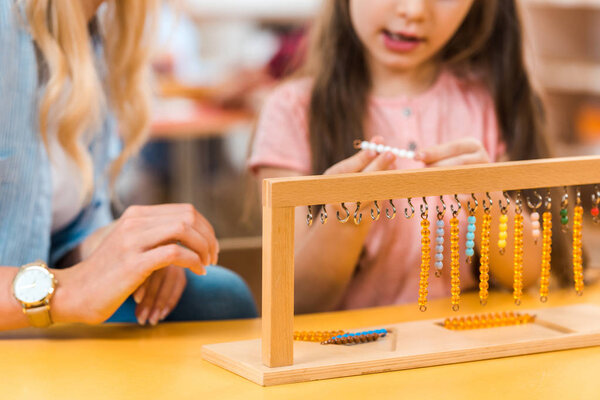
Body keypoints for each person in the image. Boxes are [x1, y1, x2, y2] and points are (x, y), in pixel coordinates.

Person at [249, 0, 575, 313]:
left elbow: (530, 275)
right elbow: (295, 300)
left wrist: (490, 205)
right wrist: (343, 221)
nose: (415, 10)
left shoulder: (494, 102)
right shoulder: (292, 112)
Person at [0, 0, 256, 331]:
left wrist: (128, 250)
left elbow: (57, 233)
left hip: (37, 298)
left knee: (221, 298)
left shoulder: (98, 36)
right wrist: (67, 291)